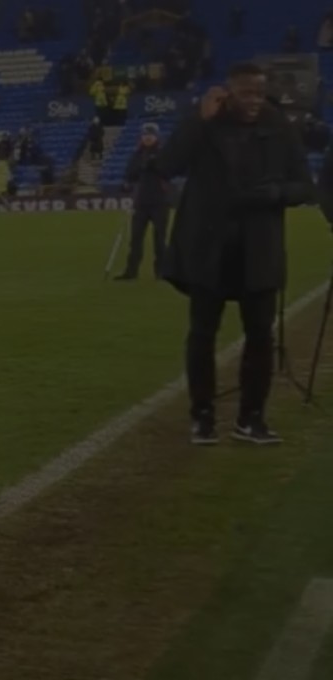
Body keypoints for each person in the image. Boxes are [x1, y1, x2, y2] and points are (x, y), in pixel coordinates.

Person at [157, 63, 313, 445]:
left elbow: (304, 187)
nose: (254, 100)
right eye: (246, 93)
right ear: (229, 92)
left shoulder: (279, 127)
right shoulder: (206, 123)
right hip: (209, 248)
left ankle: (251, 418)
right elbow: (167, 165)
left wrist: (273, 194)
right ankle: (202, 416)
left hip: (259, 248)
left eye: (259, 92)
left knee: (260, 336)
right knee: (201, 335)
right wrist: (197, 119)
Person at [115, 122, 170, 281]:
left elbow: (167, 170)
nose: (147, 138)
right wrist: (136, 172)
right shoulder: (137, 154)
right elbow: (130, 175)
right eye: (145, 135)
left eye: (150, 135)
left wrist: (153, 164)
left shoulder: (162, 153)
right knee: (136, 238)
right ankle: (131, 271)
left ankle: (161, 271)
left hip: (160, 201)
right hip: (141, 202)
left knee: (159, 239)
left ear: (156, 137)